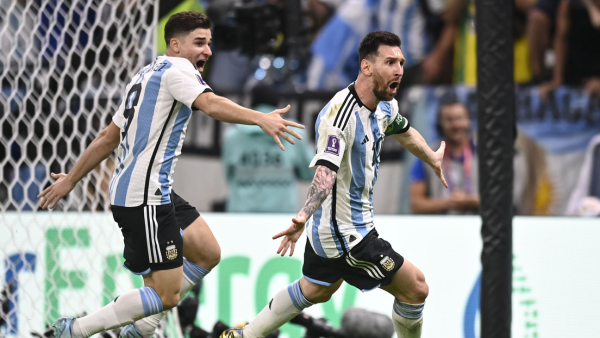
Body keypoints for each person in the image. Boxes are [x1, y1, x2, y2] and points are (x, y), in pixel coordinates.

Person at [37, 12, 304, 338]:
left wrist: (72, 179)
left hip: (153, 192)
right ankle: (76, 330)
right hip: (143, 197)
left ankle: (142, 326)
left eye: (209, 43)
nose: (207, 50)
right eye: (199, 42)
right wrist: (259, 119)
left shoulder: (145, 73)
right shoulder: (179, 70)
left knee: (208, 253)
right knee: (167, 295)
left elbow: (108, 137)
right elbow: (211, 104)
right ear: (174, 45)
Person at [221, 31, 447, 338]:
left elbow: (402, 129)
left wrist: (431, 156)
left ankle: (243, 336)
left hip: (340, 226)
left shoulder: (384, 106)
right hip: (346, 233)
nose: (399, 70)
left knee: (315, 290)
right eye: (390, 62)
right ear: (367, 67)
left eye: (402, 62)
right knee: (416, 288)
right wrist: (303, 214)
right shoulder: (339, 116)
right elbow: (325, 172)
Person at [222, 85, 315, 213]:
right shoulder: (293, 132)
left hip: (241, 215)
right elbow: (310, 172)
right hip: (281, 216)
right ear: (278, 104)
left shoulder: (232, 135)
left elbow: (229, 175)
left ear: (251, 103)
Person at [409, 96, 479, 214]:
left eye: (459, 118)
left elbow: (502, 199)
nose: (455, 125)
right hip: (441, 228)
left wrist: (469, 200)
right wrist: (447, 203)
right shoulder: (426, 155)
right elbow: (416, 204)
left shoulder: (484, 155)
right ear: (440, 124)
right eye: (449, 120)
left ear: (469, 121)